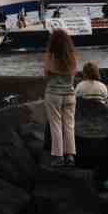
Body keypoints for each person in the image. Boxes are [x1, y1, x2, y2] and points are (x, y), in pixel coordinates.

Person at [44, 28, 77, 167]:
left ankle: (58, 156)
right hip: (70, 95)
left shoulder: (51, 56)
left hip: (54, 94)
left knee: (56, 124)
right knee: (69, 125)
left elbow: (46, 74)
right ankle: (70, 155)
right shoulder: (71, 57)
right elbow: (73, 75)